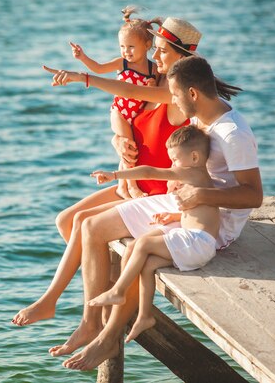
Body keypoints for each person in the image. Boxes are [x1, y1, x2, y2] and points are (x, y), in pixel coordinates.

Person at [55, 55, 262, 371]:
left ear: (192, 93)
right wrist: (85, 79)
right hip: (182, 205)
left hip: (213, 223)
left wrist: (201, 195)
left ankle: (109, 336)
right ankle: (90, 322)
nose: (172, 101)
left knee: (137, 255)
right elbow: (133, 94)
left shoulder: (234, 134)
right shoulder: (201, 114)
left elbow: (254, 195)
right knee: (91, 226)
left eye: (175, 94)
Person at [11, 18, 198, 331]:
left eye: (162, 51)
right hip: (135, 181)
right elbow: (122, 112)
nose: (156, 57)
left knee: (85, 223)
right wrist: (117, 140)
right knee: (65, 221)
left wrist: (83, 77)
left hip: (156, 194)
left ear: (181, 56)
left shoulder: (176, 95)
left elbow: (122, 89)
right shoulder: (151, 82)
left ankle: (72, 309)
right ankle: (103, 286)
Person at [87, 125, 219, 343]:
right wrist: (174, 217)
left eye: (175, 160)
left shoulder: (191, 173)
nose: (173, 166)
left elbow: (149, 171)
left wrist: (114, 175)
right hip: (198, 243)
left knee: (140, 245)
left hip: (196, 242)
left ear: (194, 157)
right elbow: (201, 214)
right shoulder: (200, 179)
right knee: (147, 265)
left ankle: (118, 290)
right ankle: (144, 316)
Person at [69, 6, 162, 198]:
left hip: (137, 114)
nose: (126, 51)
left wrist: (152, 87)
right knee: (128, 145)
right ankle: (133, 187)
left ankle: (122, 186)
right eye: (122, 47)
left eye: (131, 47)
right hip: (120, 112)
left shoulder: (154, 69)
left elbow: (154, 95)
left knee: (129, 148)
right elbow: (99, 69)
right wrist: (82, 57)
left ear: (146, 45)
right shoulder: (123, 63)